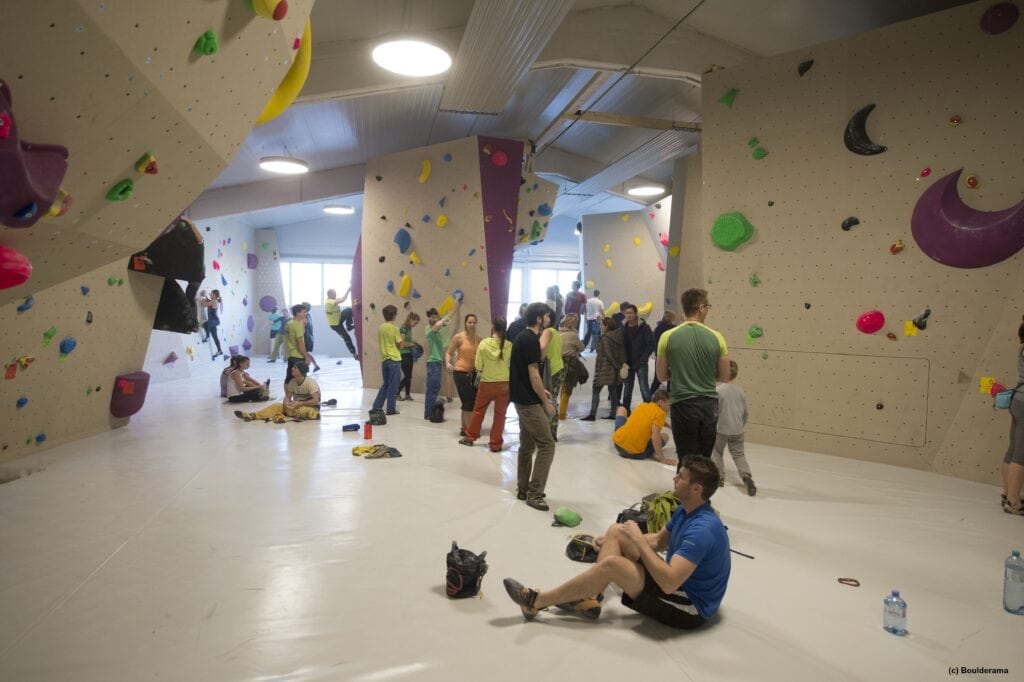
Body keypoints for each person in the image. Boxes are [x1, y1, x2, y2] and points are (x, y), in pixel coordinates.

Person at [503, 456, 730, 629]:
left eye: (680, 476)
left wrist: (637, 539)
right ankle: (589, 598)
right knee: (617, 530)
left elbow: (669, 582)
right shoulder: (686, 509)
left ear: (696, 489)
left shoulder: (703, 530)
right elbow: (660, 541)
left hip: (690, 607)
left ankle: (536, 601)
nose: (674, 478)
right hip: (678, 584)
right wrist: (625, 535)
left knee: (613, 565)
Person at [656, 289, 730, 468]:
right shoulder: (717, 337)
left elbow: (662, 375)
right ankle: (702, 495)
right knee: (704, 460)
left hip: (682, 404)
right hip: (709, 405)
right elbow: (725, 376)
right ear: (701, 307)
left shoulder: (667, 336)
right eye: (708, 307)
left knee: (686, 459)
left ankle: (683, 494)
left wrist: (681, 372)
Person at [510, 302, 558, 511]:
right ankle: (535, 493)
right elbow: (533, 373)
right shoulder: (529, 340)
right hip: (528, 403)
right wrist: (545, 401)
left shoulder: (524, 337)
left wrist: (542, 392)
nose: (549, 319)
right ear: (539, 319)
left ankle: (523, 488)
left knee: (527, 445)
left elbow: (527, 374)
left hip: (524, 398)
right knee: (547, 444)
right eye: (546, 316)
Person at [460, 318, 510, 451]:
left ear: (493, 326)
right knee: (500, 415)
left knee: (478, 411)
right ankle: (495, 444)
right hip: (504, 384)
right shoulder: (510, 345)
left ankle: (470, 437)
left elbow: (478, 366)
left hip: (487, 383)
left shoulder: (483, 344)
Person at [713, 360, 756, 496]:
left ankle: (719, 477)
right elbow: (746, 413)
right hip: (737, 428)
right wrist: (740, 425)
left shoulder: (718, 390)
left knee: (716, 451)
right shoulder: (740, 391)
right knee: (739, 454)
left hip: (721, 428)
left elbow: (714, 411)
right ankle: (746, 476)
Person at [235, 361, 320, 423]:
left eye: (295, 368)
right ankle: (252, 415)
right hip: (296, 406)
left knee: (303, 410)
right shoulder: (292, 382)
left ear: (301, 371)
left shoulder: (310, 382)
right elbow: (287, 397)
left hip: (309, 407)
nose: (292, 368)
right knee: (276, 406)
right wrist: (286, 404)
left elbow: (316, 400)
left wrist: (299, 403)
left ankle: (312, 413)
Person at [612, 389, 676, 466]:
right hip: (634, 454)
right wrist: (663, 459)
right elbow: (655, 437)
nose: (670, 408)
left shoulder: (643, 405)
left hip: (618, 445)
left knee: (622, 409)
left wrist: (669, 426)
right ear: (661, 402)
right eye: (669, 404)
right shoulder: (661, 413)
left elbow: (651, 419)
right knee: (665, 436)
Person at [581, 317, 624, 421]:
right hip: (614, 369)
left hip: (604, 368)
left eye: (602, 325)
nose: (600, 327)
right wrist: (618, 366)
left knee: (596, 390)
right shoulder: (618, 337)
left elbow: (608, 353)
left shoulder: (605, 338)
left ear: (607, 326)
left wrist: (615, 365)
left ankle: (592, 414)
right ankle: (614, 413)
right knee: (613, 391)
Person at [1002, 315, 1024, 516]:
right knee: (1021, 454)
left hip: (1017, 400)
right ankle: (1014, 502)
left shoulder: (1022, 346)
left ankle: (1008, 494)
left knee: (1012, 450)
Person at [447, 313, 481, 435]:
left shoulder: (478, 338)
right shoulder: (459, 337)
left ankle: (464, 428)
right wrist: (447, 363)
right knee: (469, 403)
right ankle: (470, 431)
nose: (472, 325)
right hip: (461, 373)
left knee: (469, 402)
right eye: (469, 322)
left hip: (474, 374)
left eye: (474, 322)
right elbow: (449, 353)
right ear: (465, 324)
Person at [423, 306, 456, 420]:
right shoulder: (430, 331)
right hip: (433, 364)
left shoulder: (437, 333)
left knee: (435, 388)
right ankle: (429, 413)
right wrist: (442, 320)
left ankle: (429, 412)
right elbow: (437, 325)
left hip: (436, 363)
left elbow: (441, 325)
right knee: (432, 389)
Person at [621, 303, 654, 412]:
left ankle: (648, 411)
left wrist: (644, 358)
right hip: (627, 363)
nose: (628, 315)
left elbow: (651, 344)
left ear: (636, 314)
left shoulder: (644, 327)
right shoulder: (623, 327)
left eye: (630, 313)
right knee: (627, 389)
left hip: (640, 363)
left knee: (644, 388)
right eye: (626, 313)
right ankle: (626, 411)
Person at [372, 305, 402, 416]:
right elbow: (400, 345)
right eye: (396, 314)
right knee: (393, 386)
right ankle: (391, 409)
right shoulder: (395, 329)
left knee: (385, 385)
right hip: (394, 359)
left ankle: (376, 407)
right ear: (393, 315)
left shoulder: (381, 327)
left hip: (384, 360)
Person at [540, 308, 564, 440]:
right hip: (558, 368)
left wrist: (539, 359)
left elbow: (543, 348)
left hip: (551, 371)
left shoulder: (547, 331)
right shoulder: (556, 332)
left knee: (549, 401)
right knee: (553, 400)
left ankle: (548, 434)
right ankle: (552, 433)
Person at [558, 314, 586, 419]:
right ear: (573, 324)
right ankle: (562, 413)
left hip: (557, 362)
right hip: (570, 363)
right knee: (567, 389)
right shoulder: (572, 335)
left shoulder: (557, 332)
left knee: (559, 387)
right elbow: (582, 348)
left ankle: (559, 411)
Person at [284, 304, 313, 386]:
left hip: (291, 354)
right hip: (298, 356)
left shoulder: (289, 323)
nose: (306, 313)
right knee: (301, 378)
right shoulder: (297, 326)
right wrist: (306, 357)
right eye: (304, 312)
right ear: (297, 313)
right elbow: (300, 343)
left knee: (289, 377)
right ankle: (299, 396)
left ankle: (288, 397)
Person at [326, 287, 358, 360]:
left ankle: (349, 325)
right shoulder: (329, 302)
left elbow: (341, 298)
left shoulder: (333, 300)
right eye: (334, 293)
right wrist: (348, 290)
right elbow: (343, 299)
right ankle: (354, 354)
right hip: (335, 325)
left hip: (339, 319)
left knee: (348, 310)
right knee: (346, 337)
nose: (335, 295)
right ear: (330, 294)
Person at [649, 311, 677, 394]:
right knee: (671, 378)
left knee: (657, 378)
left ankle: (648, 397)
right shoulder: (674, 329)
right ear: (672, 318)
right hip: (671, 357)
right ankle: (669, 397)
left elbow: (653, 342)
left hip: (659, 356)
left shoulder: (657, 328)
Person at [397, 312, 420, 401]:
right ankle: (396, 392)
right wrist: (412, 345)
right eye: (415, 322)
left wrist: (413, 342)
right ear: (411, 319)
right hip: (403, 354)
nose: (415, 325)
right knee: (408, 376)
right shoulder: (403, 328)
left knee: (409, 375)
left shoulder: (409, 328)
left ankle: (407, 394)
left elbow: (407, 342)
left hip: (408, 354)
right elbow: (402, 344)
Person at [201, 289, 223, 359]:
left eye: (212, 293)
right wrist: (206, 298)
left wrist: (203, 297)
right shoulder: (212, 301)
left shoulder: (214, 301)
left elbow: (203, 305)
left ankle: (207, 337)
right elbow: (207, 302)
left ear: (215, 295)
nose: (210, 294)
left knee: (206, 324)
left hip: (214, 320)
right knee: (215, 336)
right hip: (213, 321)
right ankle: (219, 350)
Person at [301, 303, 322, 373]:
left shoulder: (304, 317)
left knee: (303, 353)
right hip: (309, 338)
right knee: (305, 353)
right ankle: (315, 365)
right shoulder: (308, 315)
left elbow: (302, 327)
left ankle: (305, 369)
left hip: (305, 338)